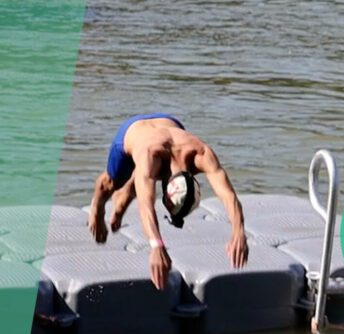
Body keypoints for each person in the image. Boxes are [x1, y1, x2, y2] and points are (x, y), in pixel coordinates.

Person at [88, 113, 248, 290]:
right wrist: (156, 246)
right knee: (111, 183)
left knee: (142, 180)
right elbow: (146, 206)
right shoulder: (150, 156)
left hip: (170, 123)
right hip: (134, 131)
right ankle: (98, 207)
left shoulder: (201, 153)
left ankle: (130, 188)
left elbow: (228, 194)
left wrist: (238, 232)